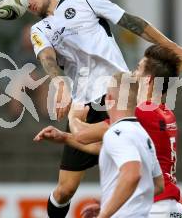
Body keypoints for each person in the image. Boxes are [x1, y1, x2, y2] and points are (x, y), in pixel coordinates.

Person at [21, 0, 182, 217]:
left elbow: (131, 22)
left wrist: (172, 47)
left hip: (120, 95)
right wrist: (60, 83)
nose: (27, 3)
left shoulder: (85, 0)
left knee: (131, 164)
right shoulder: (39, 30)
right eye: (21, 0)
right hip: (83, 103)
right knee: (65, 189)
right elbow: (46, 57)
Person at [51, 45, 182, 217]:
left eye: (138, 69)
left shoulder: (142, 113)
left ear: (148, 80)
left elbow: (83, 134)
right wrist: (63, 137)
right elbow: (105, 146)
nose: (132, 73)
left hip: (154, 210)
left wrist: (74, 113)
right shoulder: (165, 113)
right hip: (170, 208)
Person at [35, 72, 165, 218]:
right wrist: (110, 203)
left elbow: (132, 175)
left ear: (108, 99)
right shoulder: (143, 134)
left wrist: (104, 214)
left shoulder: (116, 133)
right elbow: (159, 185)